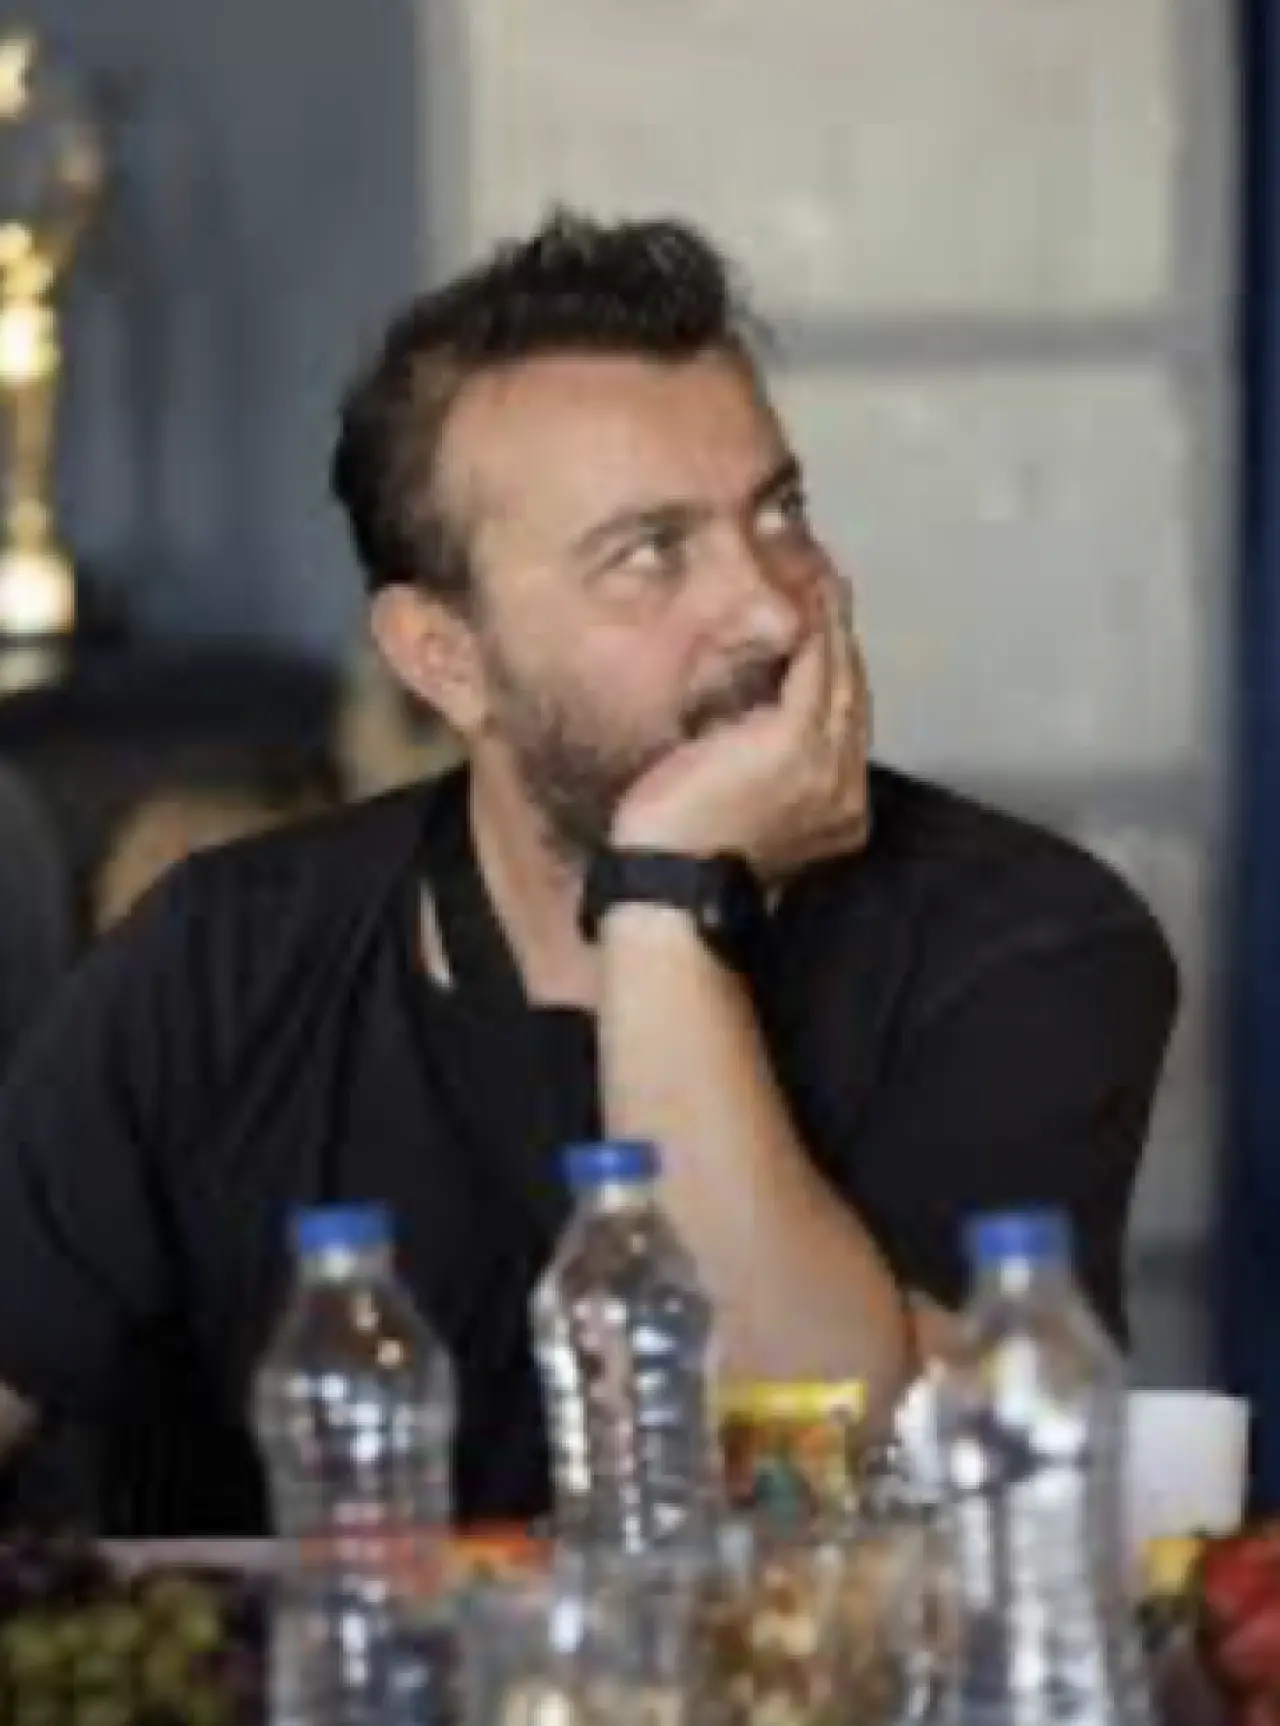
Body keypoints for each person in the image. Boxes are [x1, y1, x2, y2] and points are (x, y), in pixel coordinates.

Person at [0, 212, 1177, 1535]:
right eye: (651, 552)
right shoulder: (217, 962)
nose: (771, 609)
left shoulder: (1026, 943)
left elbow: (817, 1488)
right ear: (446, 657)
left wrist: (664, 902)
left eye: (779, 512)